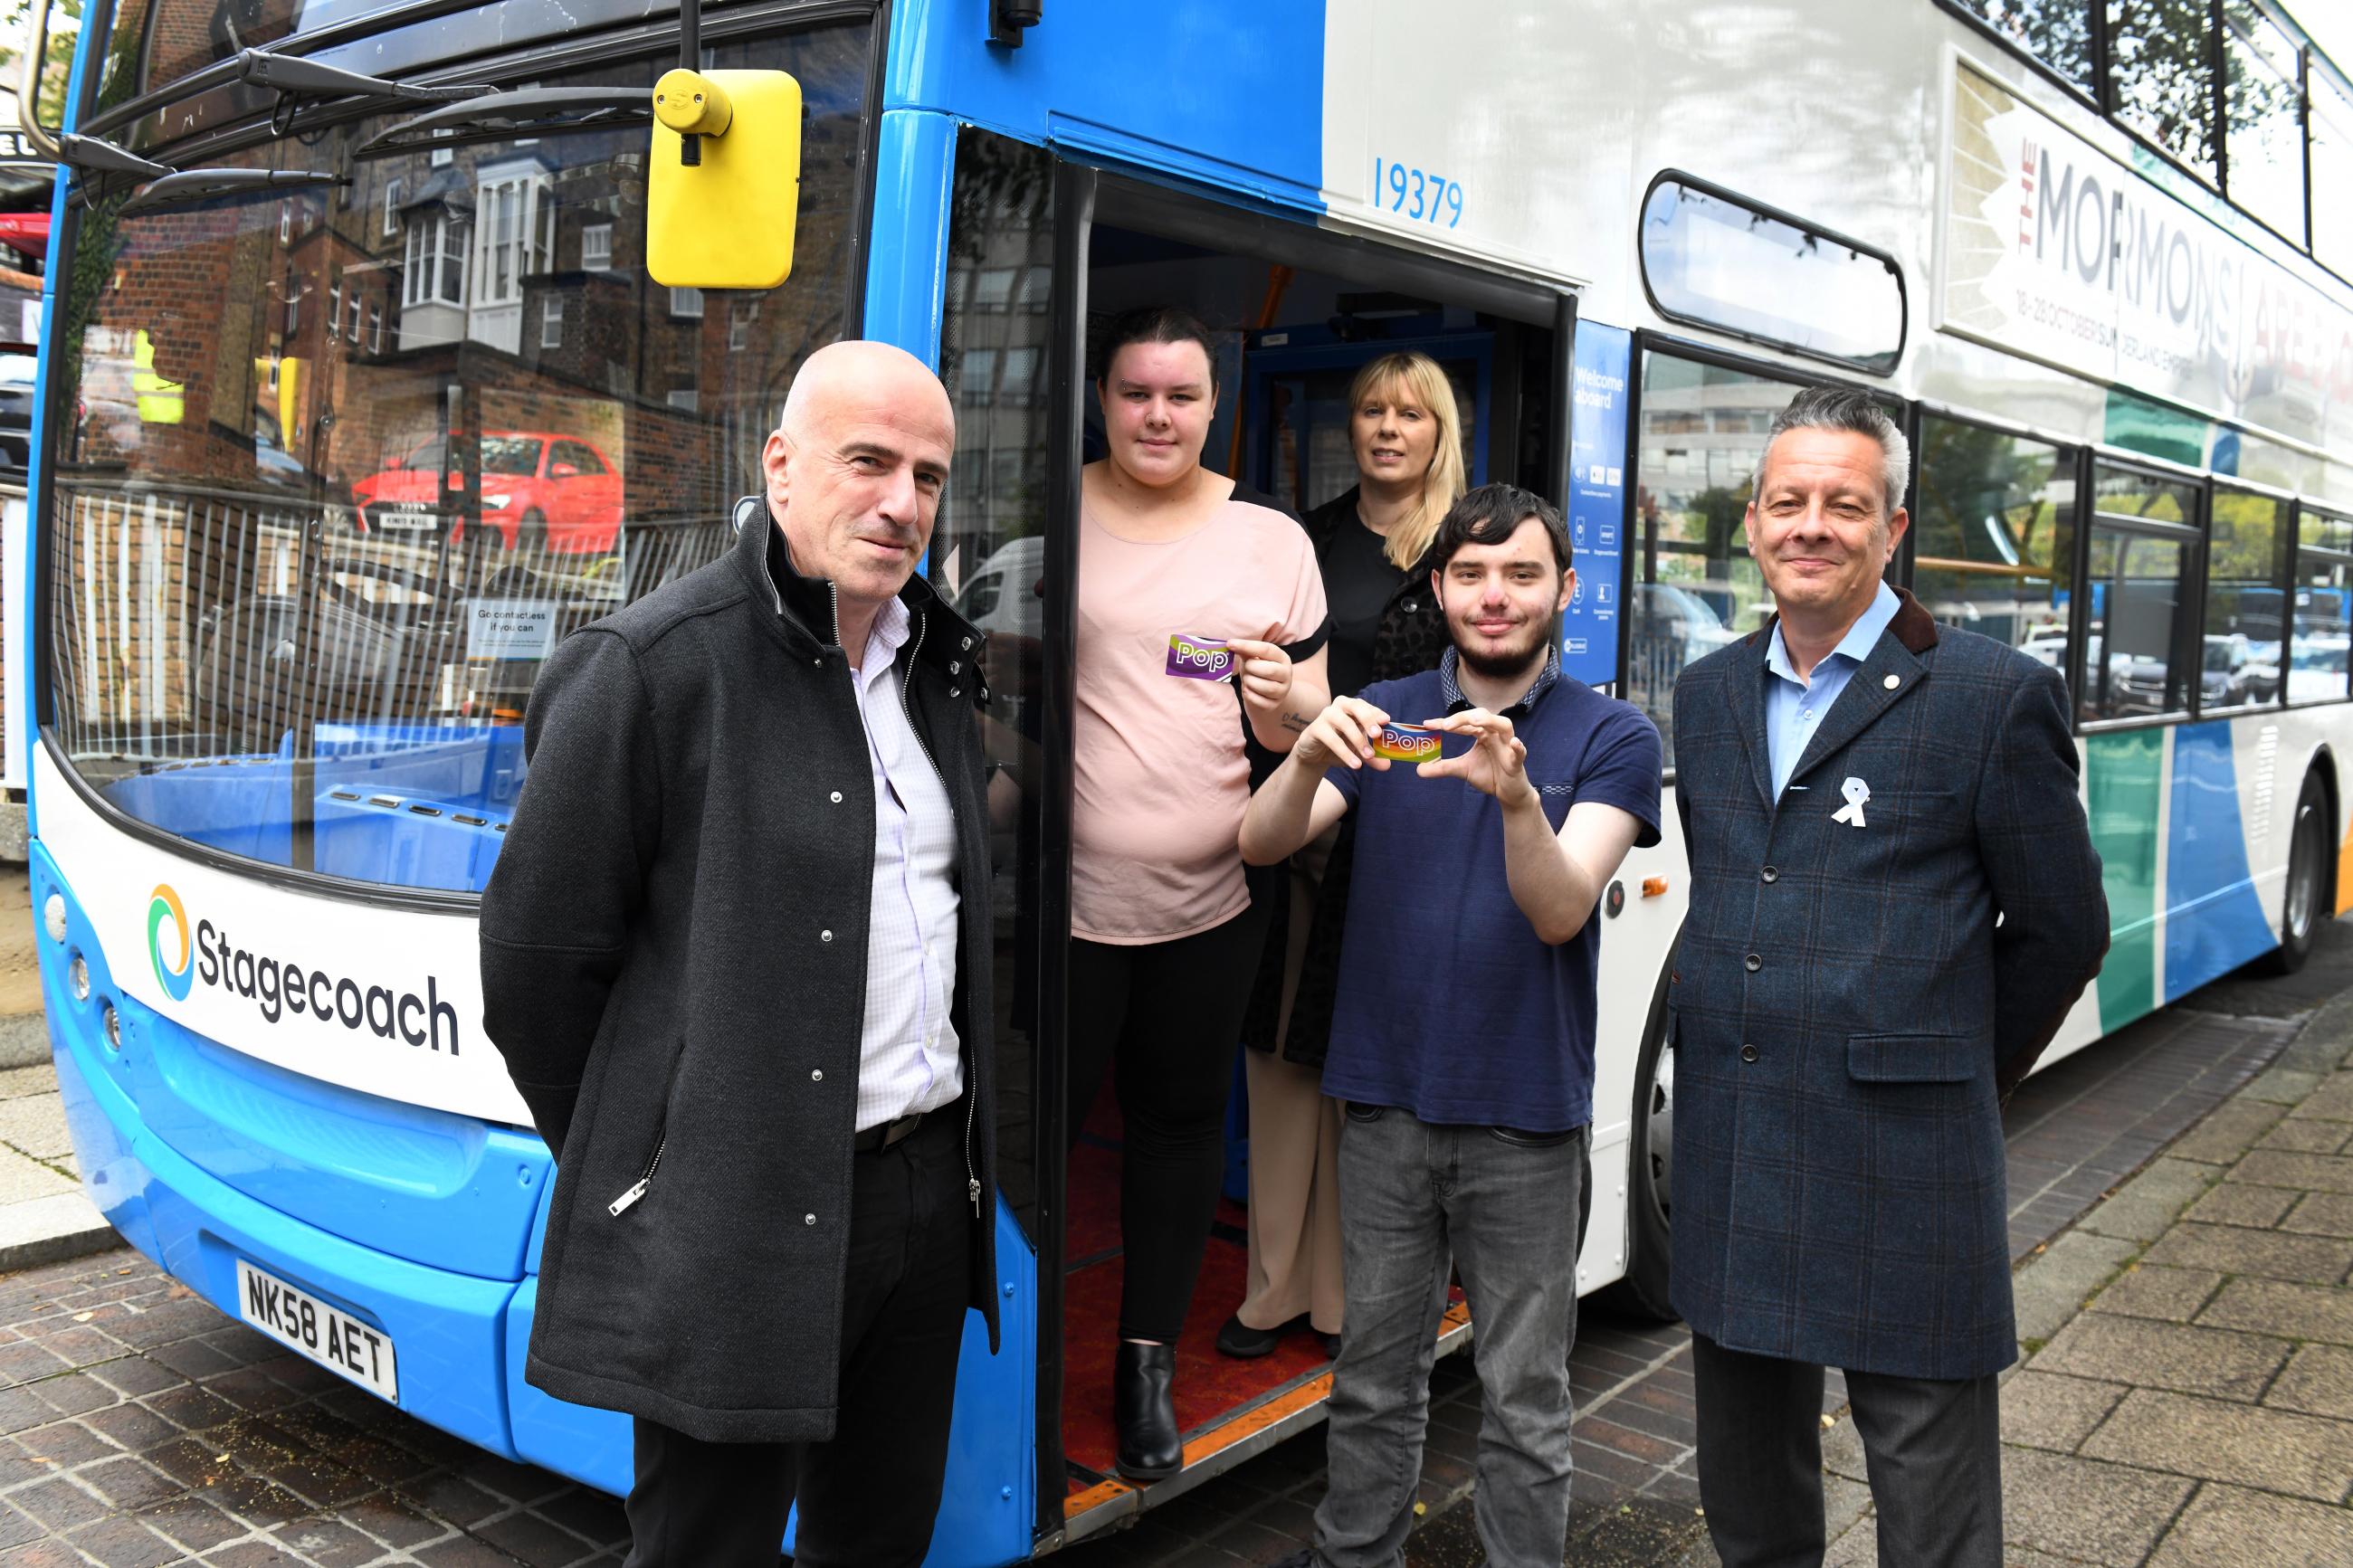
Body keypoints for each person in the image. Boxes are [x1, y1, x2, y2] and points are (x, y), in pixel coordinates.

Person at [479, 340, 998, 1568]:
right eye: (868, 462)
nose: (901, 503)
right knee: (705, 1548)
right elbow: (535, 971)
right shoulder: (651, 669)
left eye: (928, 476)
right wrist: (665, 1166)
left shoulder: (936, 668)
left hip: (921, 1196)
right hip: (737, 1216)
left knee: (878, 1538)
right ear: (781, 465)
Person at [1670, 386, 2108, 1568]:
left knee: (1935, 1526)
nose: (1813, 525)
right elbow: (1737, 894)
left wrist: (1949, 1071)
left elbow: (2064, 930)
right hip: (1739, 1151)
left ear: (1893, 527)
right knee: (1751, 1512)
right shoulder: (1705, 697)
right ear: (1754, 522)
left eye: (1845, 505)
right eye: (1789, 502)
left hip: (1905, 1164)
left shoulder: (1990, 696)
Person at [1243, 483, 1662, 1568]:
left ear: (1562, 590)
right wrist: (1302, 751)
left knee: (1524, 1395)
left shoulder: (1612, 733)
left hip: (1524, 1118)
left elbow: (1560, 905)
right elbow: (1258, 843)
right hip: (1381, 1106)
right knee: (1372, 1382)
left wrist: (1517, 798)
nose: (1494, 596)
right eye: (1470, 574)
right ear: (1438, 587)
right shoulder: (1383, 714)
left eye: (1521, 574)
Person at [1069, 304, 1331, 1479]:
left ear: (1215, 403)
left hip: (1213, 906)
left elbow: (1309, 732)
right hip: (1060, 911)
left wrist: (1281, 698)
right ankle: (1009, 1364)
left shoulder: (1270, 540)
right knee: (1043, 1141)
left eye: (1180, 395)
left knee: (1175, 1139)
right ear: (1103, 397)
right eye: (1136, 393)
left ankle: (1145, 1371)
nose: (1157, 416)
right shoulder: (1048, 499)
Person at [1226, 351, 1463, 1361]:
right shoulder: (1303, 537)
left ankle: (1342, 1298)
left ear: (1437, 430)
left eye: (1410, 413)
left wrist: (1351, 729)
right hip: (1303, 821)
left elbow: (1466, 711)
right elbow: (1241, 658)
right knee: (1279, 1057)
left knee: (1363, 1072)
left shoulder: (1464, 544)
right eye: (1370, 408)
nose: (1386, 428)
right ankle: (1272, 1288)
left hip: (1408, 835)